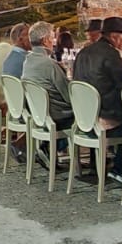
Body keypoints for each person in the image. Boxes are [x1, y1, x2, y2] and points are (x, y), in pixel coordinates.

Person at [72, 15, 122, 180]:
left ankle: (96, 164)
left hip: (84, 117)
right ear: (114, 37)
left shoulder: (83, 53)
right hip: (107, 119)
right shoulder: (114, 55)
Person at [20, 21, 73, 162]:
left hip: (39, 112)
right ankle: (97, 162)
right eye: (52, 37)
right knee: (88, 115)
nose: (54, 41)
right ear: (45, 40)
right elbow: (68, 96)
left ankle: (48, 147)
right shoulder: (49, 64)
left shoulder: (28, 61)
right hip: (57, 114)